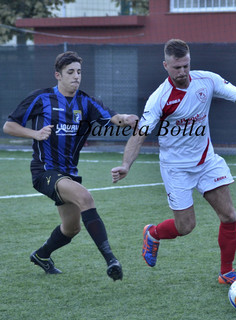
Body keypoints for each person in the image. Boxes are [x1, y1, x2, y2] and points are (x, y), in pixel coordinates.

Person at [111, 39, 236, 284]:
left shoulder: (207, 80)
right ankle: (152, 233)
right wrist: (126, 165)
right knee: (185, 227)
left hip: (206, 161)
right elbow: (139, 134)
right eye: (177, 68)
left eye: (186, 66)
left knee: (229, 215)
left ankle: (226, 272)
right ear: (166, 65)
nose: (182, 72)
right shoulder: (159, 99)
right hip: (176, 169)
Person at [3, 51, 138, 281]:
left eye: (79, 72)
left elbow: (112, 117)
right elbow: (9, 126)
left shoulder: (86, 102)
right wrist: (35, 133)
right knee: (85, 198)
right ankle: (111, 260)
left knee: (71, 228)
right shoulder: (41, 98)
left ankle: (42, 255)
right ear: (58, 75)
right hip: (44, 172)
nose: (76, 77)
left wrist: (126, 117)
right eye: (70, 72)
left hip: (69, 175)